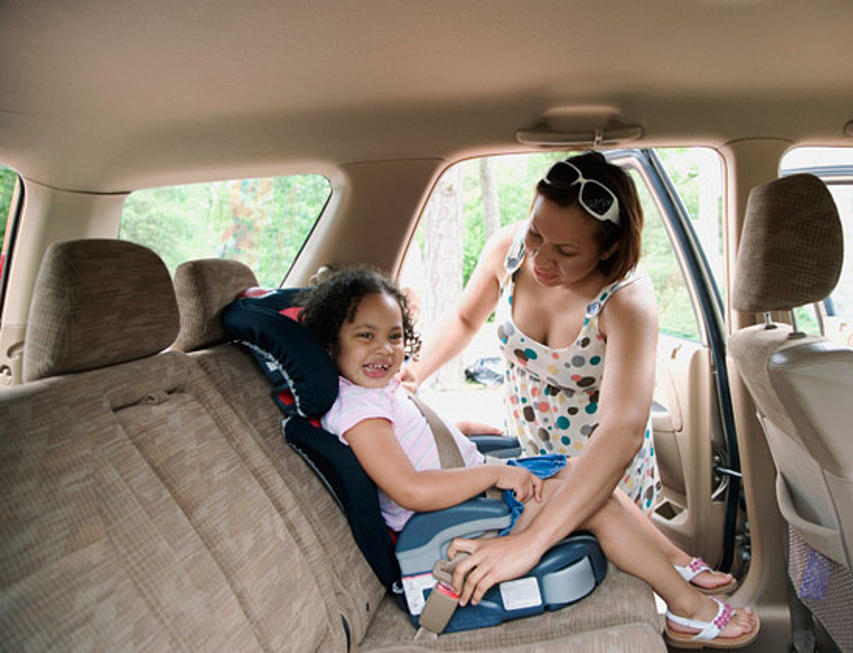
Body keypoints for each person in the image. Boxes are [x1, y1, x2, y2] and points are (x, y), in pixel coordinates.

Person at [299, 265, 759, 649]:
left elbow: (410, 447)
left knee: (586, 469)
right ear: (330, 342)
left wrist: (458, 432)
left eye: (395, 336)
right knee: (593, 501)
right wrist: (494, 473)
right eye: (365, 335)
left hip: (461, 501)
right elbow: (410, 488)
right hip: (446, 525)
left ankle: (674, 560)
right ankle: (687, 610)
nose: (384, 349)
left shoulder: (378, 391)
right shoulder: (360, 410)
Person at [400, 152, 736, 595]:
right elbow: (465, 319)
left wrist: (528, 544)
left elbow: (621, 430)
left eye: (566, 251)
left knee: (601, 577)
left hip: (601, 467)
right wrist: (411, 375)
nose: (539, 257)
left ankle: (678, 574)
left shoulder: (625, 300)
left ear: (609, 248)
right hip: (533, 451)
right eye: (537, 232)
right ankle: (676, 564)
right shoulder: (510, 250)